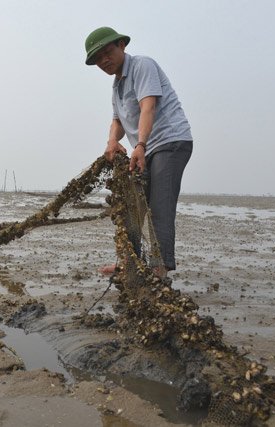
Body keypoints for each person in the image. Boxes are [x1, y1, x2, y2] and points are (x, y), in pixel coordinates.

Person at [85, 27, 193, 277]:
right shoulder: (116, 87)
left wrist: (140, 145)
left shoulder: (142, 66)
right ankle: (129, 262)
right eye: (98, 59)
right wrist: (112, 141)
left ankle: (159, 268)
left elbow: (148, 107)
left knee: (159, 205)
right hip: (146, 149)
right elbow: (118, 121)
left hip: (170, 142)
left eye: (107, 52)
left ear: (122, 45)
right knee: (132, 207)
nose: (104, 61)